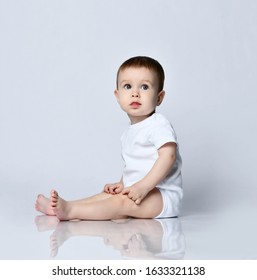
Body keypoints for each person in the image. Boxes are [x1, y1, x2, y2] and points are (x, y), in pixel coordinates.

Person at [35, 56, 183, 221]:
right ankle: (66, 206)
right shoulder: (129, 132)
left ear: (159, 97)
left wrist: (143, 187)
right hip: (139, 189)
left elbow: (168, 156)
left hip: (162, 196)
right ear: (118, 95)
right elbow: (135, 166)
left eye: (144, 87)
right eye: (127, 86)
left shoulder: (158, 124)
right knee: (107, 195)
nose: (135, 93)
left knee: (120, 202)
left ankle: (70, 211)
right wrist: (122, 183)